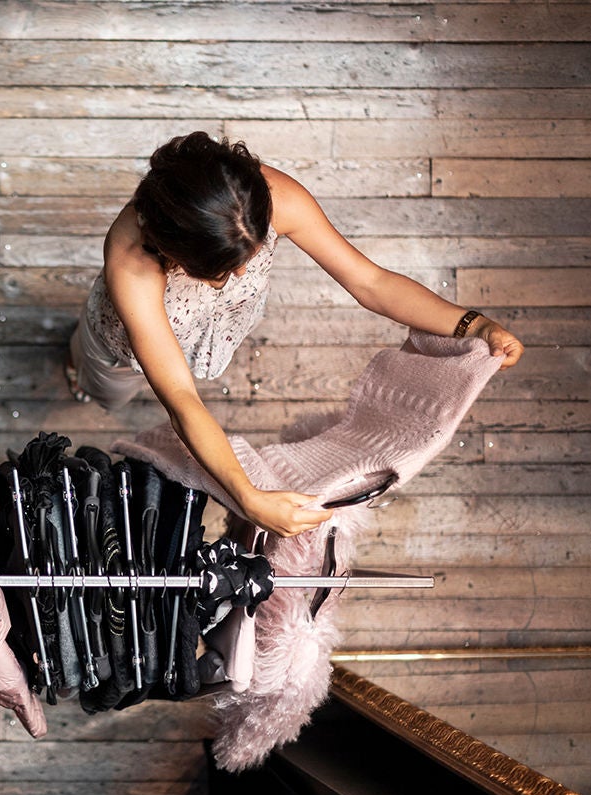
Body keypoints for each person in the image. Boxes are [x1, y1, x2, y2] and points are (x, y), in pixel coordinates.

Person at [66, 131, 524, 538]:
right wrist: (248, 496)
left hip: (217, 326)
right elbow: (181, 396)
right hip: (123, 345)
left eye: (251, 254)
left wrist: (472, 324)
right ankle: (76, 366)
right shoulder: (133, 263)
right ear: (171, 251)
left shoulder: (264, 197)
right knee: (105, 387)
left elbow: (370, 282)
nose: (246, 270)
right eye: (226, 269)